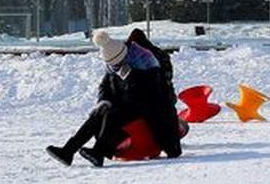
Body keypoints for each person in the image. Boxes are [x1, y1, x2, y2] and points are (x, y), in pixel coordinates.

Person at [46, 29, 182, 167]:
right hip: (129, 104)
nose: (115, 68)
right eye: (112, 66)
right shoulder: (116, 63)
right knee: (99, 113)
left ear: (124, 57)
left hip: (151, 108)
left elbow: (142, 95)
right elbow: (105, 86)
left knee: (113, 115)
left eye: (117, 65)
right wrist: (104, 102)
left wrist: (117, 99)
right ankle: (68, 150)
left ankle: (99, 152)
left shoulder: (145, 63)